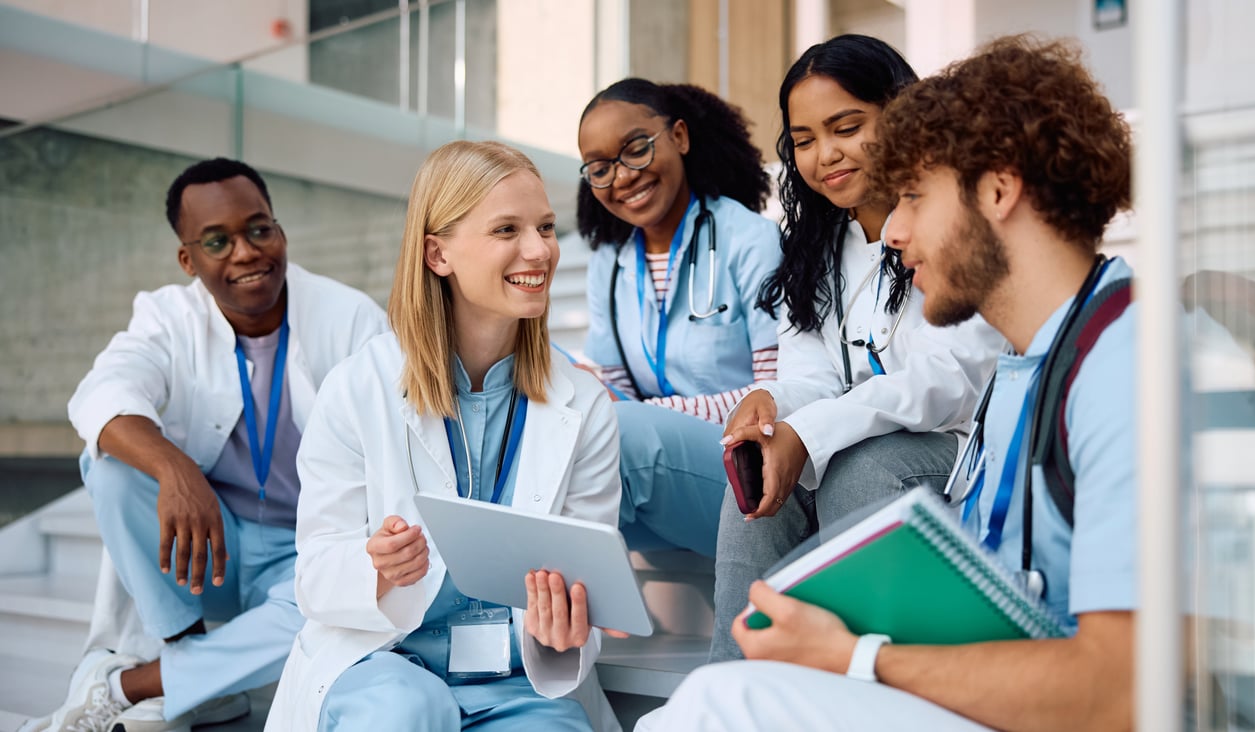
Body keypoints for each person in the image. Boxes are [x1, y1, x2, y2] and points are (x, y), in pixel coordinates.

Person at [642, 35, 1140, 730]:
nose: (892, 233)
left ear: (998, 190)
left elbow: (1118, 691)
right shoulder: (1035, 370)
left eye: (912, 195)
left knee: (713, 705)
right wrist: (777, 410)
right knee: (708, 696)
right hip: (985, 679)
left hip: (1019, 690)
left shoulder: (1122, 367)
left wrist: (859, 658)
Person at [265, 140, 621, 731]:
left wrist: (564, 631)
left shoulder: (582, 405)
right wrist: (376, 568)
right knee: (407, 711)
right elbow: (314, 576)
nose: (539, 250)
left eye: (547, 227)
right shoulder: (359, 387)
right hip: (382, 660)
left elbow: (587, 584)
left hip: (517, 678)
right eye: (507, 229)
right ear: (437, 254)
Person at [46, 158, 388, 732]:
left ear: (279, 232)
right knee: (108, 468)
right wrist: (178, 472)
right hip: (210, 549)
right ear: (189, 259)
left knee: (341, 610)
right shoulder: (167, 317)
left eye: (259, 229)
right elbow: (100, 396)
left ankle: (143, 683)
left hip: (305, 555)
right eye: (217, 240)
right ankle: (195, 665)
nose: (247, 252)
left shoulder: (349, 317)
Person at [709, 34, 1005, 661]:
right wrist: (772, 405)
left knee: (860, 469)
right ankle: (732, 685)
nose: (827, 155)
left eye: (847, 127)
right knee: (754, 478)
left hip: (954, 452)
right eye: (806, 140)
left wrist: (811, 433)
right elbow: (813, 377)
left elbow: (946, 382)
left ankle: (860, 680)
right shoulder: (819, 243)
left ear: (901, 116)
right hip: (853, 438)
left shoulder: (954, 223)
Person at [577, 78, 782, 556]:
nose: (623, 177)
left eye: (636, 149)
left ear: (680, 138)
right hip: (656, 461)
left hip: (748, 464)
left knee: (619, 435)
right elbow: (616, 389)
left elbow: (778, 391)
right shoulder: (609, 262)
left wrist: (644, 415)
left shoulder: (750, 240)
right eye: (600, 168)